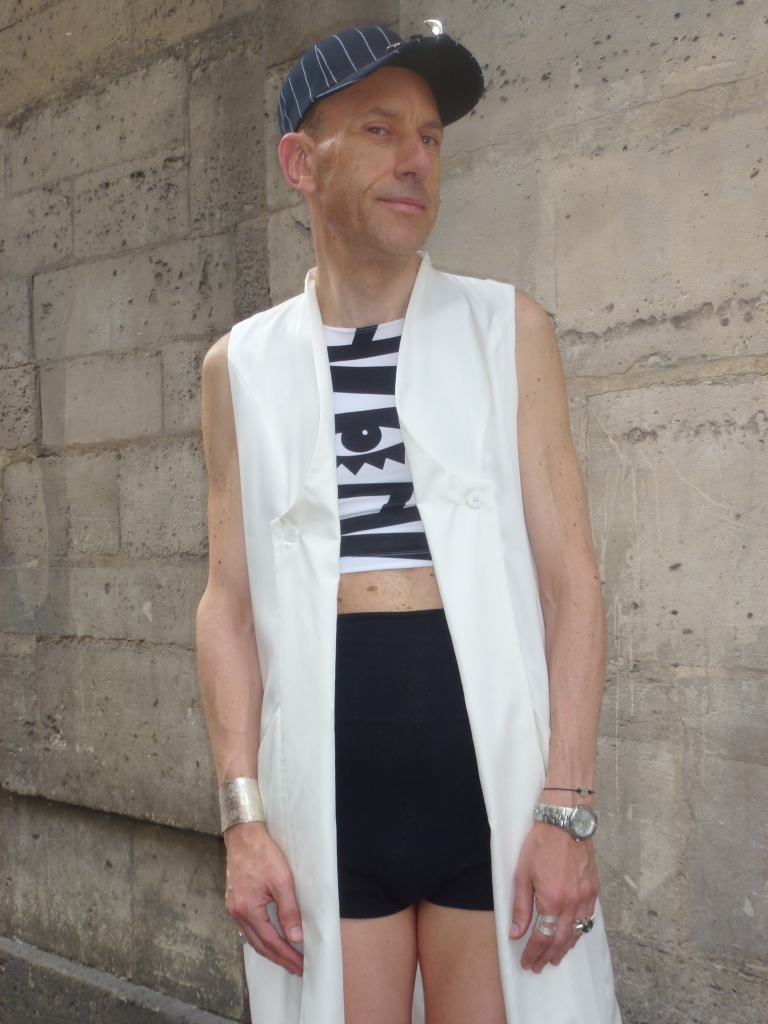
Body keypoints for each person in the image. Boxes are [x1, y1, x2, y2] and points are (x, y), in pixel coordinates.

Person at [196, 22, 622, 1024]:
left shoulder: (506, 329)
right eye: (381, 129)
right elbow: (229, 604)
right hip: (326, 790)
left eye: (430, 136)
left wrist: (568, 807)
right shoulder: (240, 368)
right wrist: (242, 819)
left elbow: (572, 584)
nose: (417, 159)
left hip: (491, 781)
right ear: (301, 163)